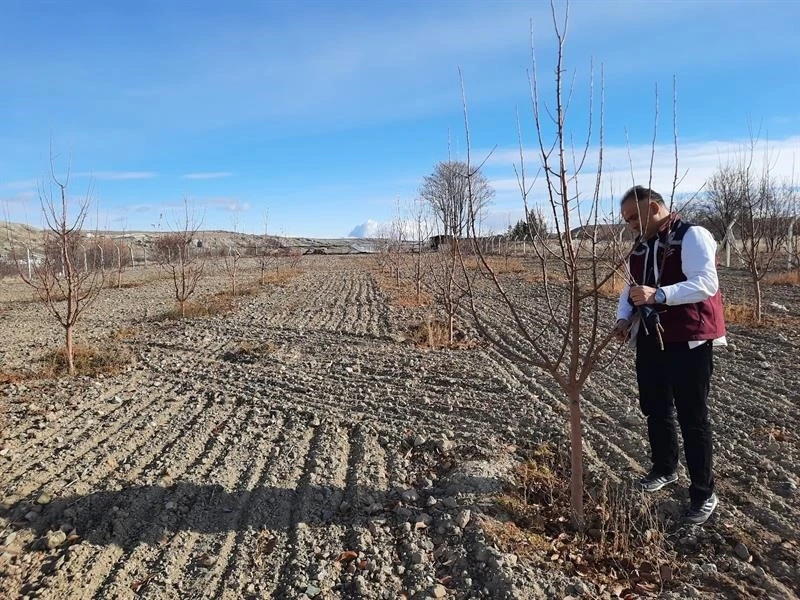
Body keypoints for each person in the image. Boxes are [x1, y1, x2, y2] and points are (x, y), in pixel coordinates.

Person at [612, 185, 726, 525]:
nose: (630, 224)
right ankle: (665, 468)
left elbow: (706, 282)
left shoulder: (691, 236)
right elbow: (630, 288)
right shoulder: (641, 246)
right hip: (650, 337)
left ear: (655, 207)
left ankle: (704, 493)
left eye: (634, 216)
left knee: (693, 417)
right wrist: (622, 317)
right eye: (626, 219)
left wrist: (660, 294)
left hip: (687, 339)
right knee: (655, 408)